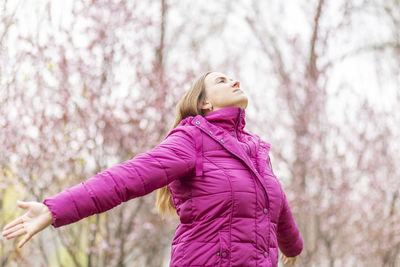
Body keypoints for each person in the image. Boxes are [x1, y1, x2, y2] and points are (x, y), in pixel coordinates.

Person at [1, 71, 303, 266]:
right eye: (222, 81)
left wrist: (292, 248)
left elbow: (277, 205)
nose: (236, 81)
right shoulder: (193, 138)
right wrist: (55, 209)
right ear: (206, 103)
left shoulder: (256, 151)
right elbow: (126, 178)